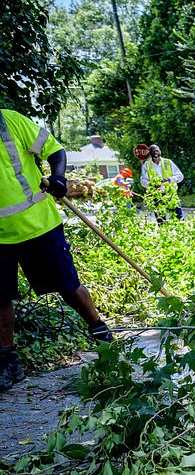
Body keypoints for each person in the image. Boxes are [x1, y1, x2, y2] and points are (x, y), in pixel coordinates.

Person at [0, 108, 113, 391]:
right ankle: (7, 362)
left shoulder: (10, 121)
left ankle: (101, 333)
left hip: (39, 224)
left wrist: (59, 178)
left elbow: (54, 149)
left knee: (67, 284)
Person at [139, 144, 184, 221]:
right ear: (150, 153)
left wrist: (169, 179)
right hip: (157, 197)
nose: (155, 153)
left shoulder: (168, 162)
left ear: (160, 151)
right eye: (152, 151)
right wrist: (152, 185)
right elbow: (143, 181)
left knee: (179, 219)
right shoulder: (146, 165)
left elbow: (180, 176)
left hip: (171, 195)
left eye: (156, 150)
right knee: (161, 221)